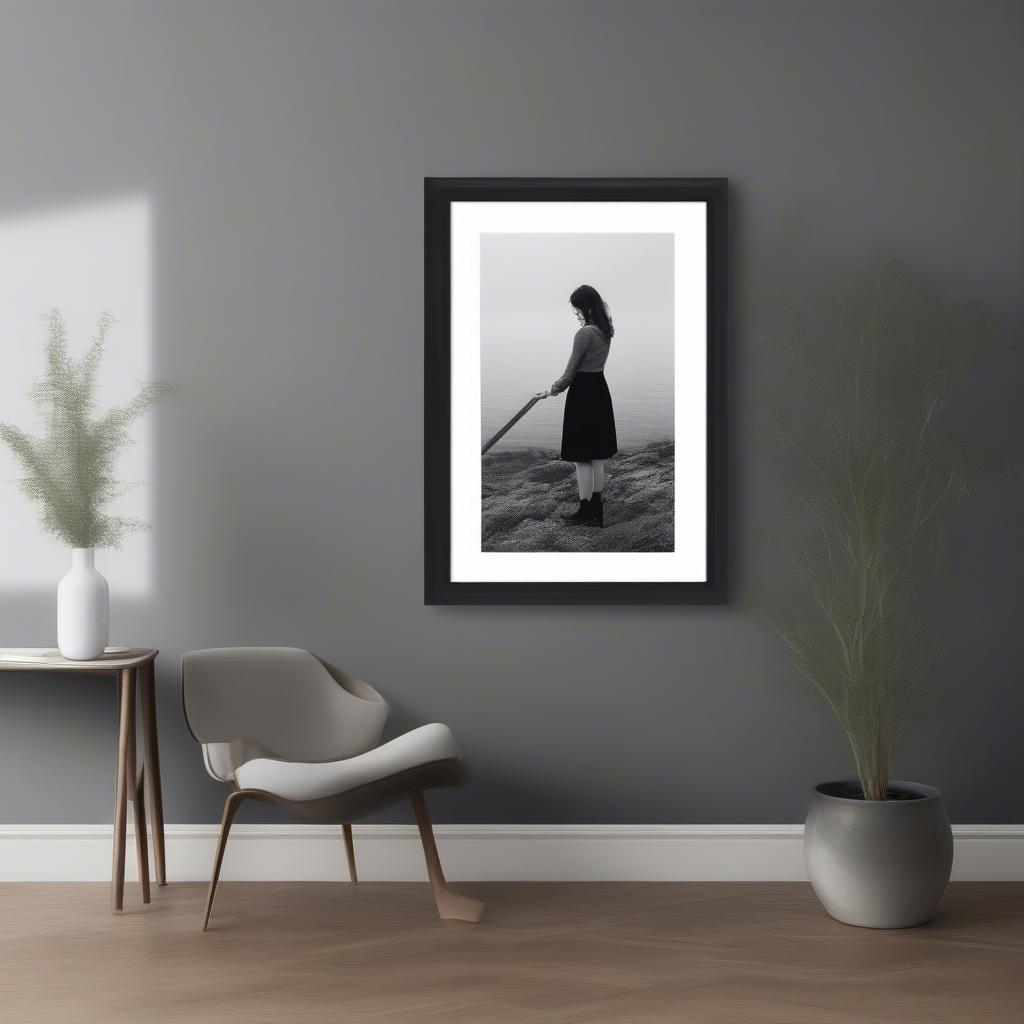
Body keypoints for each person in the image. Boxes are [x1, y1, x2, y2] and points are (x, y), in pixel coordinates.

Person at [535, 284, 618, 527]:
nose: (577, 314)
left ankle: (585, 511)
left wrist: (551, 390)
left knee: (581, 457)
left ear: (587, 306)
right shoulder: (606, 330)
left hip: (582, 393)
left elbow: (570, 372)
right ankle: (597, 511)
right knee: (597, 456)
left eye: (577, 310)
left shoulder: (585, 334)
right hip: (599, 390)